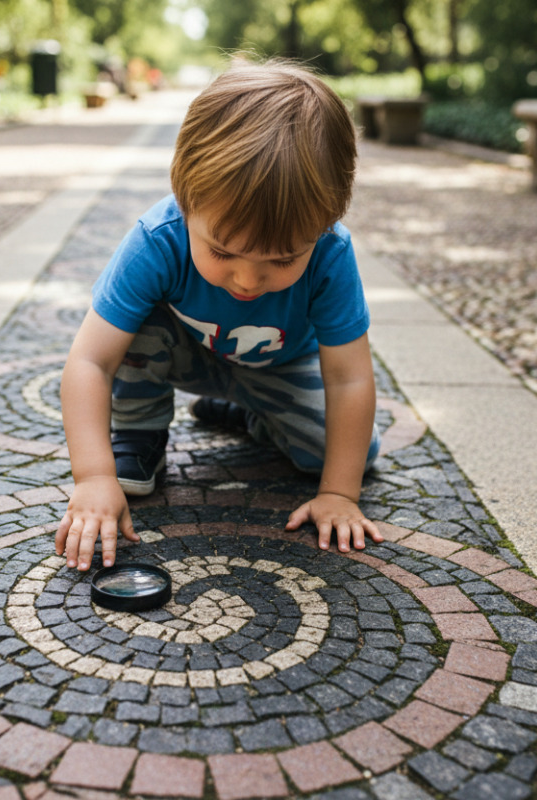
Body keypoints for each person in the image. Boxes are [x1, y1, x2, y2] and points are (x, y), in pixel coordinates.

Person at [55, 58, 382, 572]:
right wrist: (93, 477)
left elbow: (349, 378)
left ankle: (250, 413)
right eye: (223, 252)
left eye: (281, 260)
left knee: (355, 456)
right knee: (135, 328)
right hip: (183, 353)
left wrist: (339, 493)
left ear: (327, 221)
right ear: (187, 202)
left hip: (279, 364)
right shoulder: (156, 240)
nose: (249, 280)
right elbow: (89, 363)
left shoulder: (331, 253)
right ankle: (138, 434)